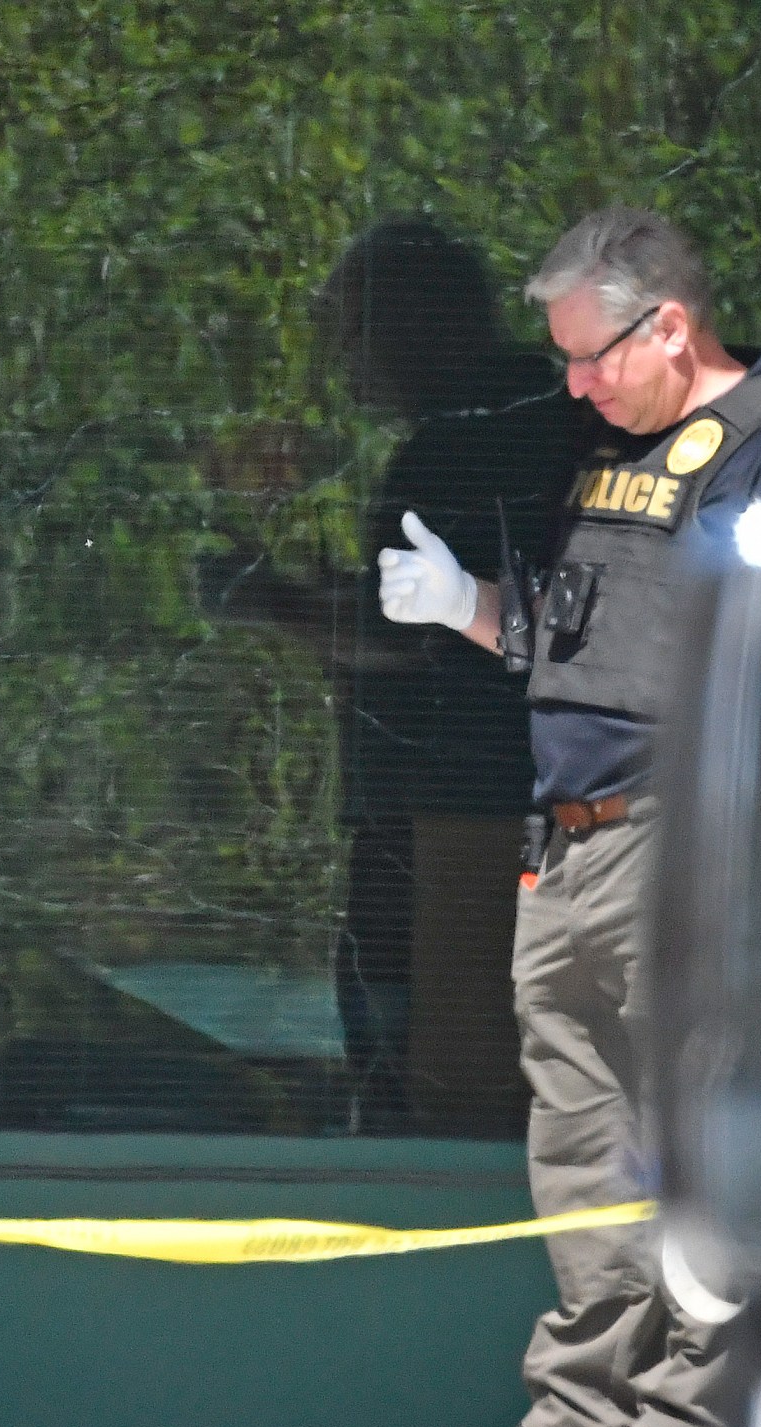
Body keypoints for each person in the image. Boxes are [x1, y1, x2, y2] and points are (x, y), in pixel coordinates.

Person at [375, 207, 761, 1427]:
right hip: (562, 853)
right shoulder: (606, 451)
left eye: (592, 358)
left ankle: (690, 1414)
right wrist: (464, 606)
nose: (573, 387)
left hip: (684, 850)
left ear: (671, 326)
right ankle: (579, 1414)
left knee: (695, 1162)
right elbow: (583, 644)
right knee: (584, 1171)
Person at [317, 219, 608, 1131]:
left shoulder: (457, 441)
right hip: (556, 809)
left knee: (429, 1085)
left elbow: (401, 636)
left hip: (458, 822)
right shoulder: (562, 416)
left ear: (416, 324)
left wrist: (259, 602)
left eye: (349, 335)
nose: (342, 367)